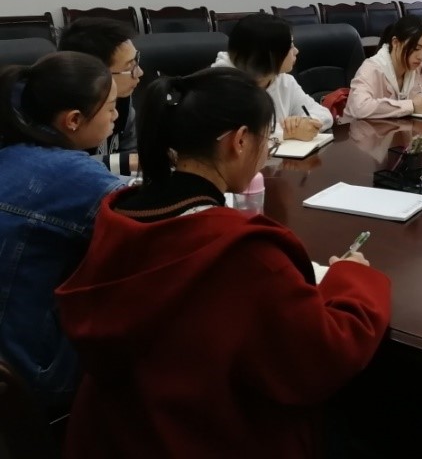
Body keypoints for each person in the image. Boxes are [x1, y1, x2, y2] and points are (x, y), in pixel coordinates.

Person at [55, 68, 391, 457]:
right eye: (267, 140)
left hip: (117, 433)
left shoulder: (119, 216)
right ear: (240, 140)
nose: (266, 153)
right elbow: (322, 358)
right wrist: (351, 277)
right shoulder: (241, 251)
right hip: (206, 434)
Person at [0, 52, 121, 410]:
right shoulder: (77, 176)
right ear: (73, 120)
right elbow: (145, 225)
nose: (116, 115)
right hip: (32, 375)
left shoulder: (12, 151)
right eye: (111, 107)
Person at [212, 13, 331, 140]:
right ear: (269, 55)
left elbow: (324, 115)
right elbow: (232, 137)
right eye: (290, 46)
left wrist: (307, 122)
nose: (296, 51)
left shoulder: (284, 80)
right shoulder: (221, 84)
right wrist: (287, 132)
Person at [58, 16, 143, 175]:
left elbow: (131, 153)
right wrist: (125, 162)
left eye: (137, 62)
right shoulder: (58, 113)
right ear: (96, 75)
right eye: (129, 68)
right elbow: (58, 167)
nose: (139, 73)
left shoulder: (122, 99)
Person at [344, 15, 422, 120]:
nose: (421, 56)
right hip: (358, 134)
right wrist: (411, 105)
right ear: (395, 43)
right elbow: (359, 107)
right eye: (416, 48)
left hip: (397, 131)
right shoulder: (371, 68)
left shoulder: (419, 69)